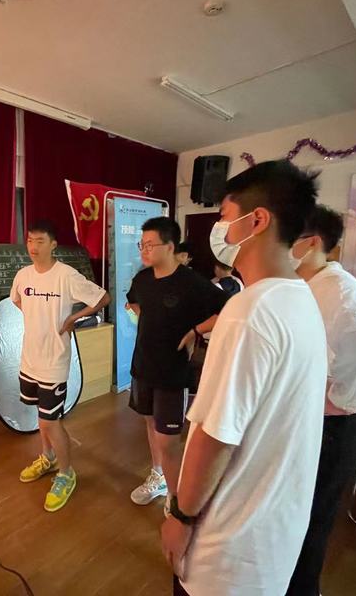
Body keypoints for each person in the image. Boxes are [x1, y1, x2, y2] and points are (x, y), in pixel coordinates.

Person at [160, 160, 328, 596]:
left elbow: (215, 436)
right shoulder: (301, 298)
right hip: (271, 540)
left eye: (224, 217)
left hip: (226, 550)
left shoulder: (249, 311)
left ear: (257, 220)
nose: (220, 230)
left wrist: (180, 516)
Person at [287, 204, 356, 595]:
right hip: (310, 412)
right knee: (295, 510)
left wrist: (330, 394)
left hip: (336, 417)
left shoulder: (338, 291)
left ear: (311, 243)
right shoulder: (302, 285)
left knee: (314, 514)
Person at [126, 217, 230, 514]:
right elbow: (134, 302)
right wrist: (150, 319)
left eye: (150, 245)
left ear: (170, 246)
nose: (144, 250)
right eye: (141, 245)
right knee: (150, 423)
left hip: (172, 372)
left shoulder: (192, 282)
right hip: (143, 365)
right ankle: (158, 476)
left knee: (168, 439)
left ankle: (176, 499)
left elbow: (227, 309)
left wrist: (196, 331)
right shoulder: (142, 280)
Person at [11, 220, 110, 512]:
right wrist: (39, 320)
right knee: (41, 417)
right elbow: (17, 301)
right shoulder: (23, 275)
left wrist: (73, 318)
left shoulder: (66, 275)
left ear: (53, 245)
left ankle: (66, 473)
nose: (33, 247)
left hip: (54, 361)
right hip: (29, 359)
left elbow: (103, 297)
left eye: (40, 241)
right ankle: (49, 457)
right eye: (30, 241)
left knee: (50, 422)